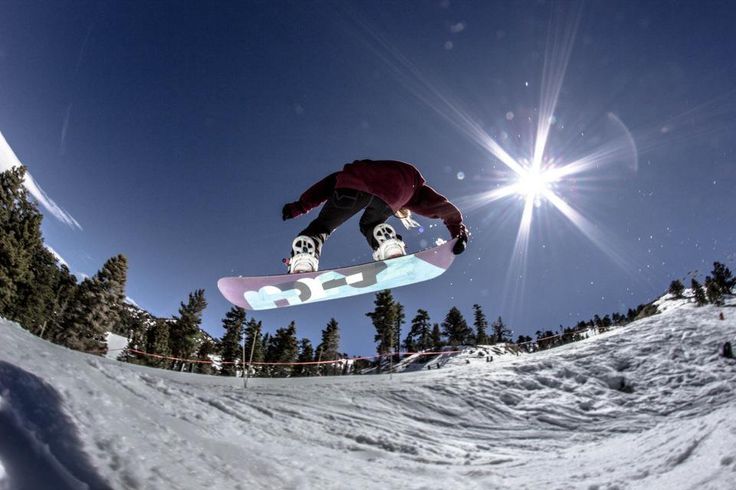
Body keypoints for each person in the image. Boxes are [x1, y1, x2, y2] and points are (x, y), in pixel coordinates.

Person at [281, 159, 468, 273]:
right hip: (398, 189)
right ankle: (388, 244)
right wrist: (458, 232)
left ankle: (304, 256)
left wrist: (300, 206)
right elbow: (442, 207)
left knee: (321, 227)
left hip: (354, 181)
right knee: (371, 224)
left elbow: (328, 183)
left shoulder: (369, 168)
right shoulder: (414, 189)